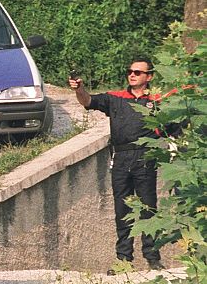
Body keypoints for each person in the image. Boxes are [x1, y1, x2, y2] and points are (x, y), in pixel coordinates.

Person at [69, 58, 164, 272]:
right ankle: (123, 260)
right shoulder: (116, 98)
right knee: (122, 210)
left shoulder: (158, 100)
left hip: (146, 157)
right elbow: (87, 101)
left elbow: (174, 128)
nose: (132, 75)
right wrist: (79, 88)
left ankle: (153, 258)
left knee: (148, 208)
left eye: (138, 72)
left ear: (149, 77)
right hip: (120, 158)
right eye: (129, 71)